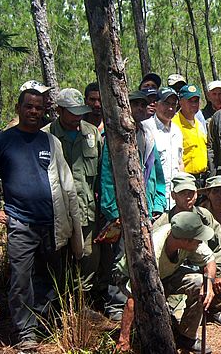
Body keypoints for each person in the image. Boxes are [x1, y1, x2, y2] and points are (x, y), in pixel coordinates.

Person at [0, 88, 83, 349]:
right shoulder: (1, 142)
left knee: (49, 277)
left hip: (52, 223)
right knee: (21, 280)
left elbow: (66, 183)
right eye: (29, 106)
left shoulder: (50, 141)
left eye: (39, 108)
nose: (34, 111)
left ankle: (43, 323)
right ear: (19, 108)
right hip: (20, 223)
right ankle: (26, 333)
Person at [99, 90, 166, 320]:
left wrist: (158, 203)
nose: (139, 108)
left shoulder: (147, 135)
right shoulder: (114, 135)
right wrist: (113, 211)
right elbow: (107, 176)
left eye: (142, 105)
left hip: (145, 207)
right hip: (123, 208)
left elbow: (156, 171)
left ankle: (140, 301)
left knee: (143, 255)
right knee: (120, 257)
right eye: (134, 104)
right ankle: (116, 305)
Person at [116, 211, 217, 353]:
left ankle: (187, 337)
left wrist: (209, 283)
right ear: (185, 240)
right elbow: (134, 297)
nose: (201, 242)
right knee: (149, 313)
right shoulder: (152, 252)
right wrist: (124, 340)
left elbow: (210, 260)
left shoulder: (185, 237)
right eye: (198, 239)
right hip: (132, 278)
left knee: (200, 282)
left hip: (165, 274)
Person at [161, 173, 221, 326]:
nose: (188, 197)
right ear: (173, 195)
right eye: (182, 193)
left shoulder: (205, 216)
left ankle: (214, 308)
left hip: (205, 263)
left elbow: (220, 245)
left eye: (191, 193)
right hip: (176, 270)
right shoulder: (164, 221)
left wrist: (217, 272)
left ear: (196, 194)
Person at [44, 88, 103, 287]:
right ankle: (60, 297)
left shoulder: (92, 133)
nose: (78, 117)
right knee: (58, 259)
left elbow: (102, 173)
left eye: (80, 112)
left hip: (87, 210)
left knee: (88, 257)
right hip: (56, 213)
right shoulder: (46, 136)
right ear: (59, 110)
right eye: (72, 112)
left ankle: (83, 297)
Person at [143, 87, 184, 211]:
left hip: (175, 200)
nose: (170, 108)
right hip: (153, 200)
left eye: (173, 105)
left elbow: (180, 162)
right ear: (156, 104)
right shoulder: (146, 128)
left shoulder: (177, 131)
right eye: (166, 104)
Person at [172, 84, 208, 187]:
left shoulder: (199, 124)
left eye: (196, 101)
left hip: (203, 179)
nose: (193, 104)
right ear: (180, 102)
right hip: (186, 180)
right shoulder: (174, 124)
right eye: (190, 101)